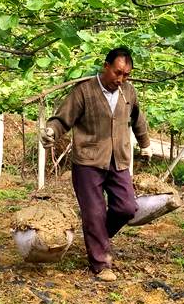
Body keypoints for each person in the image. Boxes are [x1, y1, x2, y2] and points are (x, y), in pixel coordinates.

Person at [41, 47, 152, 281]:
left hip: (118, 160)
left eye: (126, 75)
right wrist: (52, 131)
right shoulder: (84, 91)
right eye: (117, 73)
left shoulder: (128, 92)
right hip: (88, 162)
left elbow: (137, 118)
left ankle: (98, 235)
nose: (121, 79)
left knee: (127, 207)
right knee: (94, 212)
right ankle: (100, 263)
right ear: (106, 66)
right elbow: (63, 118)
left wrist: (145, 143)